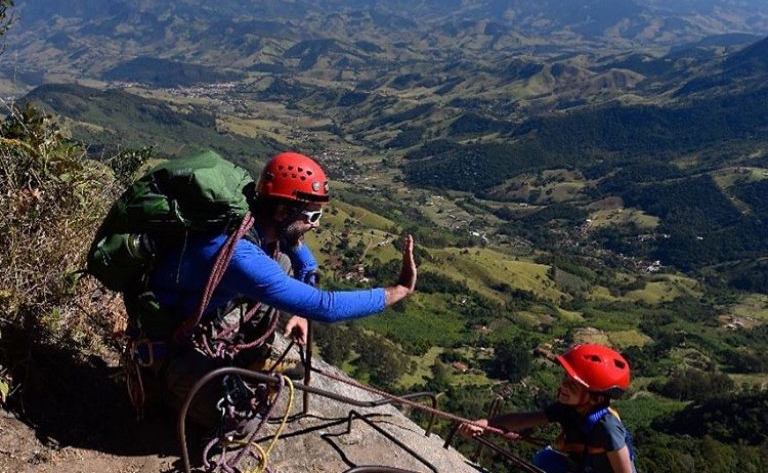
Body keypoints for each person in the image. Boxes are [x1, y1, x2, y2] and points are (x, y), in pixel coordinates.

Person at [134, 151, 417, 427]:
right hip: (167, 338)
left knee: (280, 262)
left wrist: (302, 311)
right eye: (312, 216)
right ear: (282, 211)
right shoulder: (241, 256)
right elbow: (326, 306)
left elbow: (302, 259)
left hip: (191, 311)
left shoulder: (255, 219)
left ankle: (251, 356)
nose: (314, 226)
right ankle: (161, 386)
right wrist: (399, 289)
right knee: (239, 420)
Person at [458, 344, 635, 473]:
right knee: (544, 458)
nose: (564, 386)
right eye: (565, 379)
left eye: (573, 385)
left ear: (596, 398)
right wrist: (485, 424)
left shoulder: (608, 428)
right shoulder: (568, 409)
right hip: (580, 465)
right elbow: (522, 420)